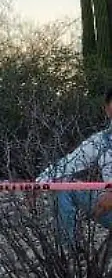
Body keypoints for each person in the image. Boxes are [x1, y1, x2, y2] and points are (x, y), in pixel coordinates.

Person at [34, 88, 112, 242]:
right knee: (64, 186)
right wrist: (38, 183)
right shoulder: (101, 140)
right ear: (107, 110)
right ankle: (68, 254)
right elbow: (69, 163)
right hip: (107, 205)